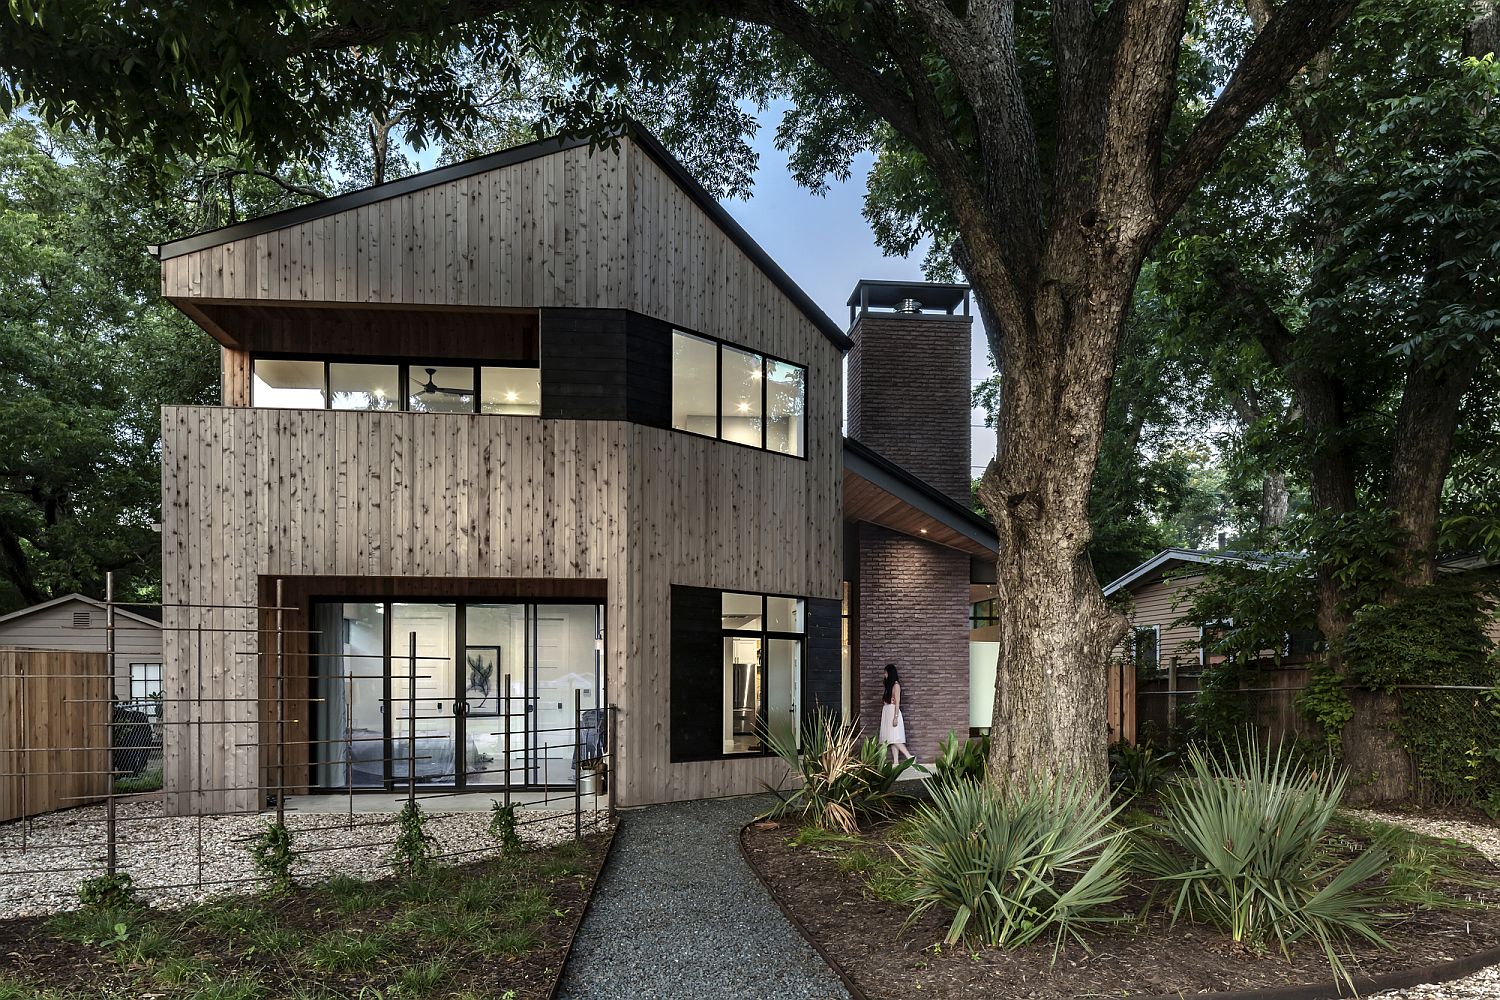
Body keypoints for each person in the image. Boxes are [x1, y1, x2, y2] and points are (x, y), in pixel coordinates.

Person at [879, 663, 915, 765]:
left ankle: (909, 757)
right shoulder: (889, 686)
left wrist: (895, 717)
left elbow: (898, 702)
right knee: (891, 738)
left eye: (885, 673)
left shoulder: (896, 685)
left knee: (895, 738)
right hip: (887, 711)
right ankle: (896, 761)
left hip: (892, 712)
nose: (884, 675)